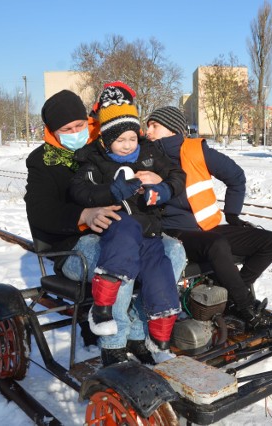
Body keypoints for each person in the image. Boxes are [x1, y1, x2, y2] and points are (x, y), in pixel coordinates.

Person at [24, 90, 186, 364]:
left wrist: (158, 179)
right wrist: (83, 214)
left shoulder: (106, 145)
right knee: (117, 262)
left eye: (80, 126)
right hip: (74, 245)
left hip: (128, 231)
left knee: (174, 252)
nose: (76, 132)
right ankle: (113, 344)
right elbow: (39, 212)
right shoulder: (42, 161)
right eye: (67, 129)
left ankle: (137, 331)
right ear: (52, 131)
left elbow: (166, 170)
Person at [69, 81, 183, 365]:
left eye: (132, 139)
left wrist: (165, 188)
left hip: (149, 229)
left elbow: (175, 175)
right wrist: (111, 192)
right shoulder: (94, 160)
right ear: (106, 141)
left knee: (161, 266)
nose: (129, 145)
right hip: (116, 227)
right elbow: (79, 191)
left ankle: (153, 331)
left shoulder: (150, 152)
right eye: (121, 141)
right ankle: (112, 337)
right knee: (124, 256)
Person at [145, 106, 272, 331]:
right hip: (173, 233)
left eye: (154, 126)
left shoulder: (197, 151)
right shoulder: (144, 156)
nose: (147, 131)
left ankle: (228, 298)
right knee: (216, 245)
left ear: (172, 130)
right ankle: (247, 308)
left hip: (207, 228)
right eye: (148, 125)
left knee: (271, 241)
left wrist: (232, 214)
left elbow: (236, 177)